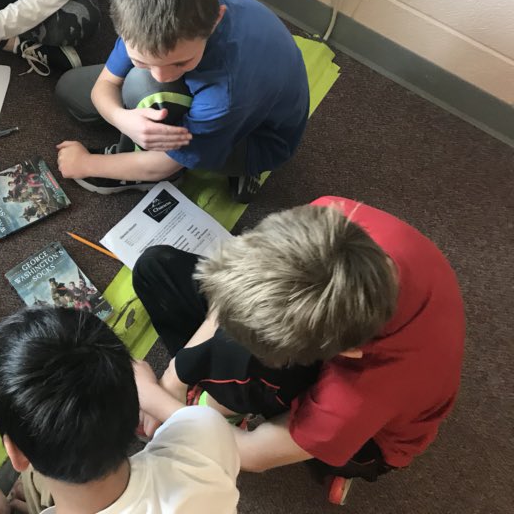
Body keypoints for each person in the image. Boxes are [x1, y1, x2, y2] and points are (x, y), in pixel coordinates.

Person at [132, 197, 465, 487]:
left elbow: (252, 455)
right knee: (155, 267)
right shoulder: (327, 220)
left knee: (240, 358)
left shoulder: (361, 396)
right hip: (337, 335)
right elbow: (233, 297)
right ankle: (222, 388)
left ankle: (230, 398)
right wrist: (176, 375)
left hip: (370, 442)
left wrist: (156, 399)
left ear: (345, 353)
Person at [54, 0, 309, 201]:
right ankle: (159, 114)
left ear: (215, 22)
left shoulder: (226, 93)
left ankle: (226, 167)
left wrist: (87, 164)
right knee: (71, 90)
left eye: (179, 63)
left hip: (253, 138)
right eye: (141, 60)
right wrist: (123, 120)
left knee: (145, 87)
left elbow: (163, 165)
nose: (162, 75)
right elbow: (106, 83)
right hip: (234, 94)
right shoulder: (147, 17)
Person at [0, 307, 239, 514]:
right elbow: (193, 420)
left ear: (16, 454)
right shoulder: (206, 437)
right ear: (136, 407)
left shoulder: (204, 432)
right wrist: (151, 390)